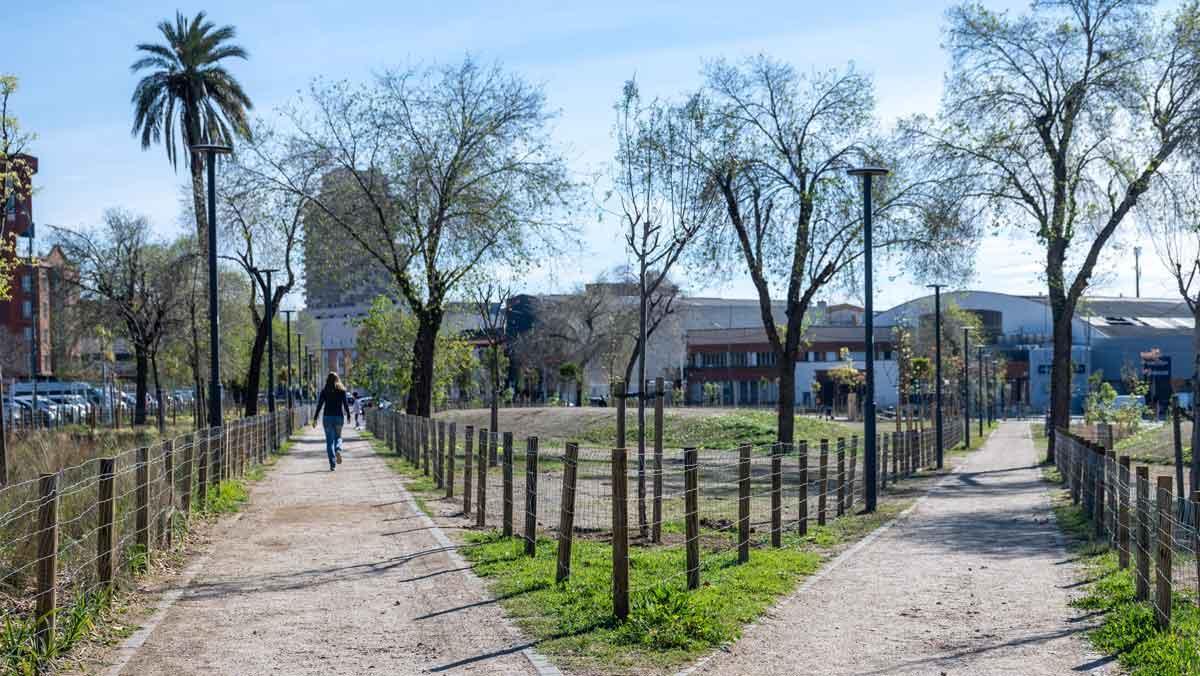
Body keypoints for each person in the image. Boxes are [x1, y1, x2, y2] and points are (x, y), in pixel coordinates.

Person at [312, 372, 352, 471]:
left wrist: (315, 418)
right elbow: (345, 404)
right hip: (339, 417)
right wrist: (349, 416)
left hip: (327, 417)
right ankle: (338, 449)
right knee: (338, 437)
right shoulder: (342, 391)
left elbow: (320, 405)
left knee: (329, 441)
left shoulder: (324, 391)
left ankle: (332, 464)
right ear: (337, 379)